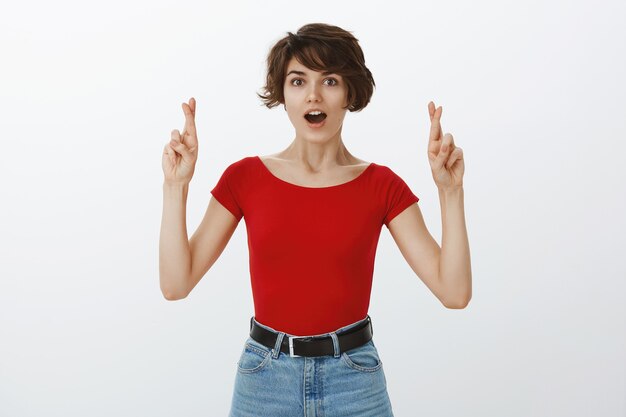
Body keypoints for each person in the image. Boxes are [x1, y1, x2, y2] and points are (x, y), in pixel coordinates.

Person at [159, 22, 472, 417]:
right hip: (264, 382)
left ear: (349, 94)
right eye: (297, 81)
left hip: (355, 382)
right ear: (283, 95)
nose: (312, 95)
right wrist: (176, 186)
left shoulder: (382, 186)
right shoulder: (244, 179)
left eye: (329, 81)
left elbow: (454, 293)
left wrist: (450, 191)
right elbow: (176, 284)